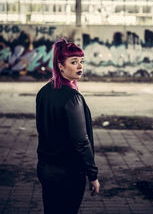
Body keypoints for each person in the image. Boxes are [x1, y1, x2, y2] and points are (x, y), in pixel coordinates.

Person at [36, 38, 100, 214]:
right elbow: (82, 141)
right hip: (68, 174)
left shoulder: (43, 92)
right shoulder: (73, 98)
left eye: (81, 61)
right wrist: (92, 175)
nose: (80, 66)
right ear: (60, 65)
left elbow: (42, 130)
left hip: (46, 169)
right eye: (74, 62)